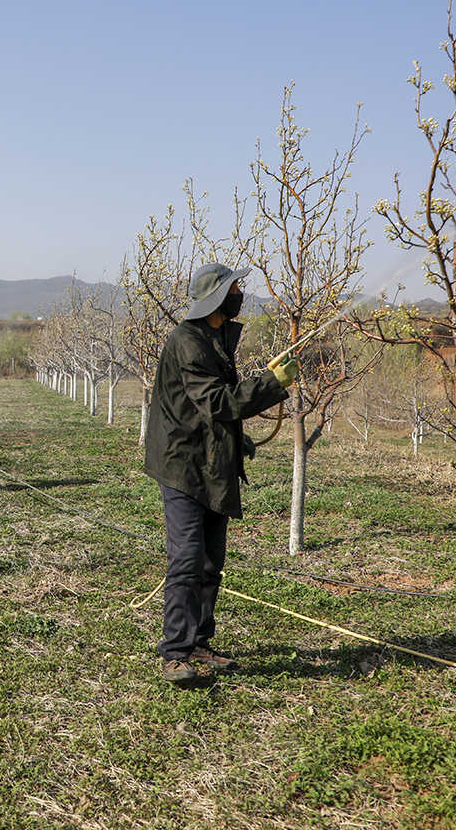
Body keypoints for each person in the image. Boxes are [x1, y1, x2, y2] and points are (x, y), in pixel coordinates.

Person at [143, 263, 299, 686]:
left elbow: (205, 407)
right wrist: (271, 384)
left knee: (211, 562)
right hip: (183, 464)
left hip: (211, 461)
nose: (239, 295)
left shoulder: (215, 336)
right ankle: (175, 653)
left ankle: (199, 643)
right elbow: (216, 401)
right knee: (187, 559)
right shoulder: (188, 341)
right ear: (216, 297)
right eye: (234, 289)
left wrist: (236, 439)